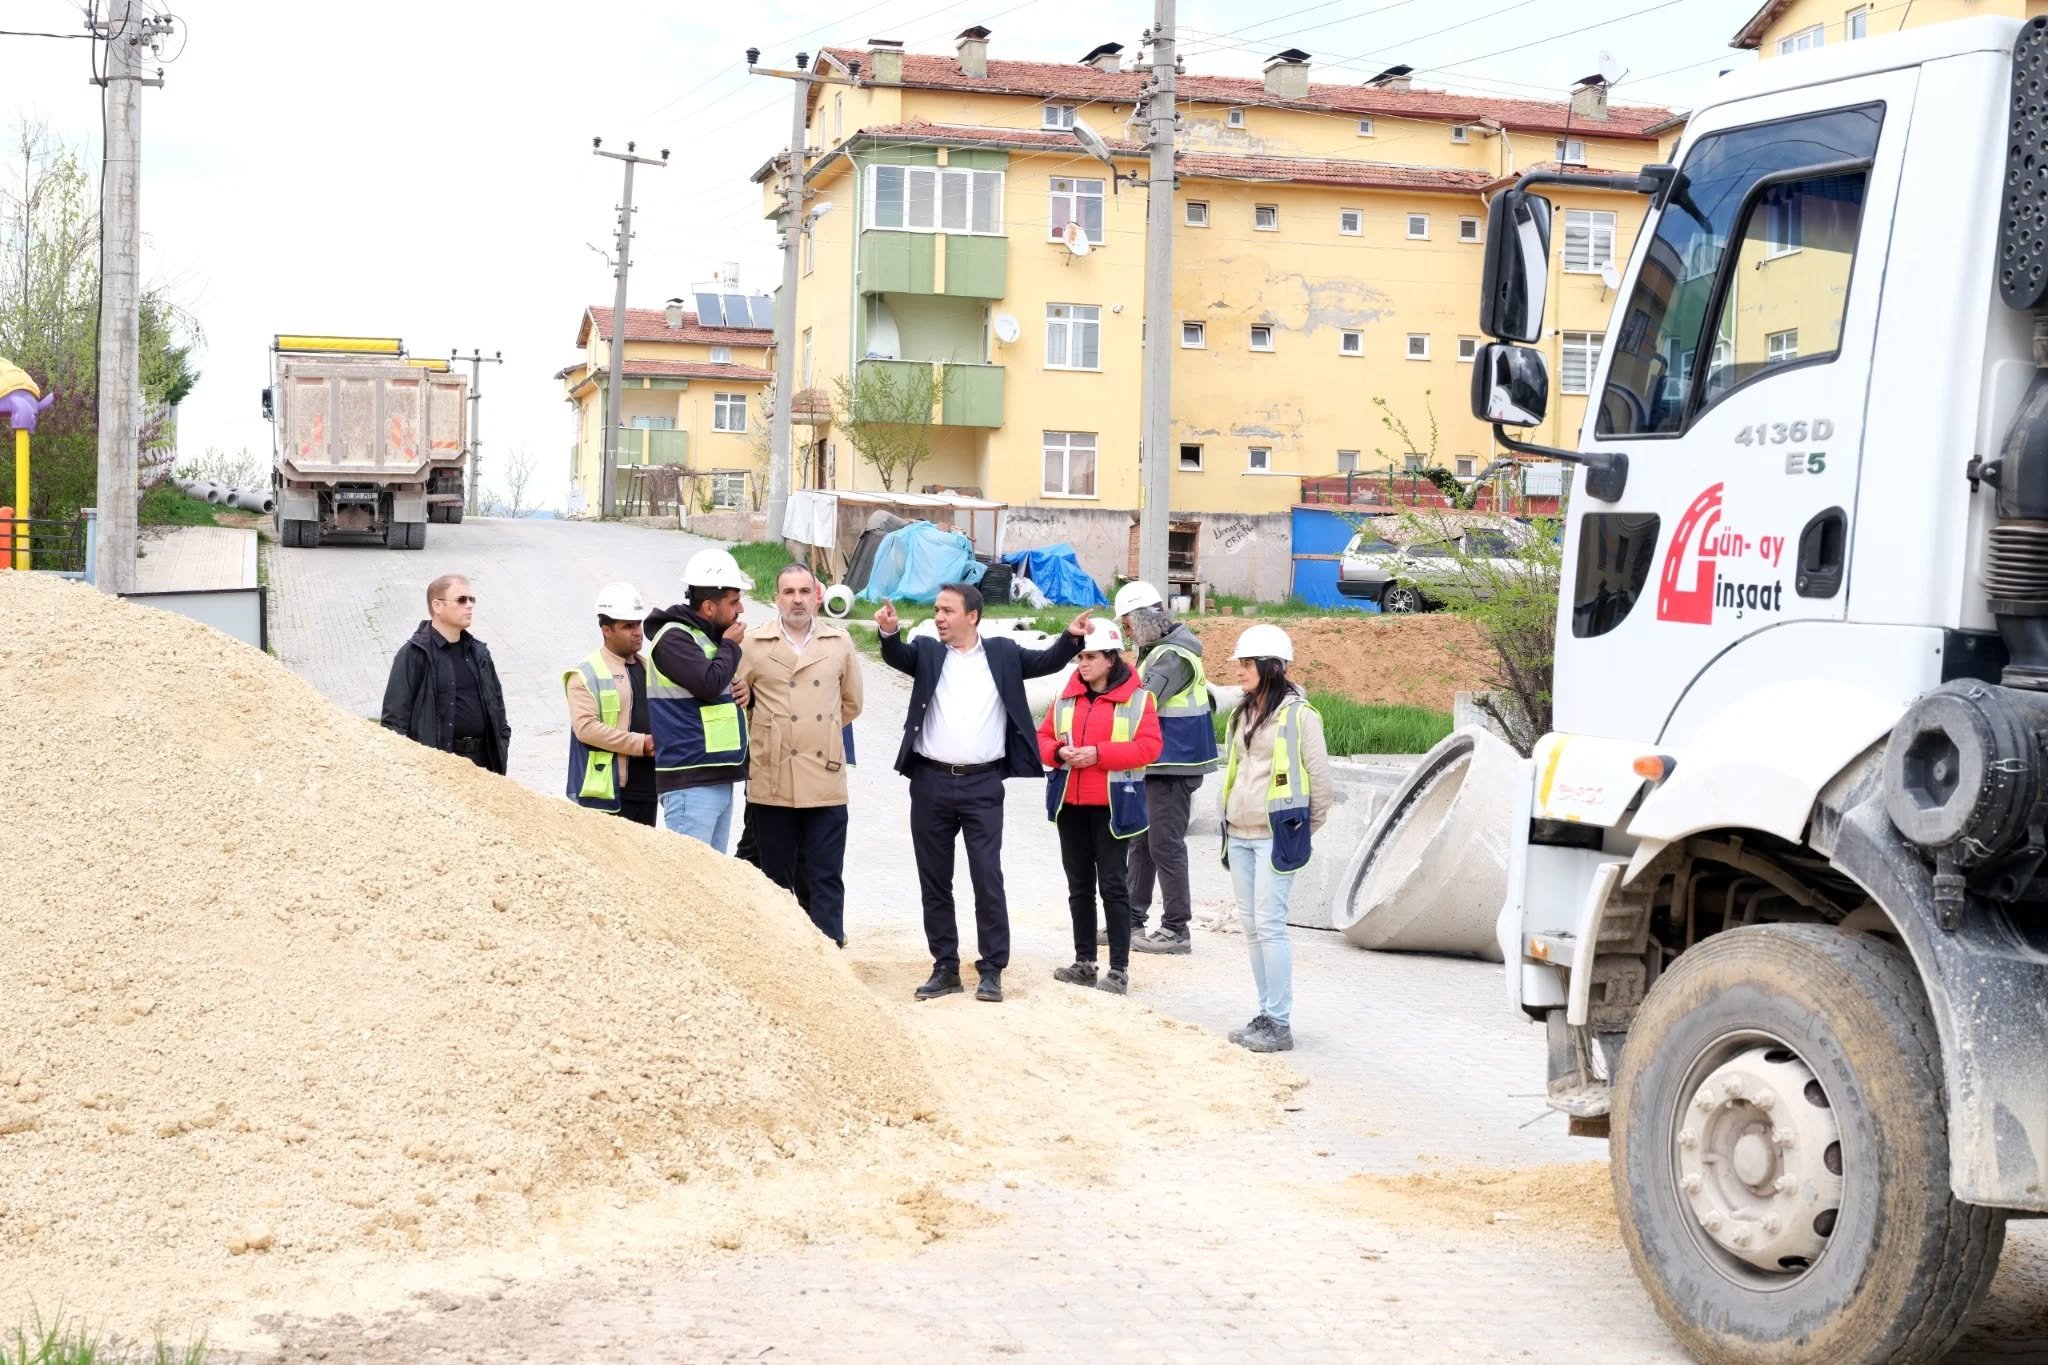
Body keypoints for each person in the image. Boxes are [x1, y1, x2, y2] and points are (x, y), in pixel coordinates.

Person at [878, 583, 1091, 1003]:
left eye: (947, 611)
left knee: (987, 877)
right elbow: (896, 655)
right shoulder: (926, 651)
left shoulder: (1003, 653)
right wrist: (889, 633)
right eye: (937, 610)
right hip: (930, 781)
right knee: (935, 879)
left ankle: (992, 968)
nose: (939, 617)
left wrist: (1071, 637)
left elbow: (1047, 661)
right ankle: (945, 966)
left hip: (982, 784)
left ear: (971, 616)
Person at [1219, 623, 1332, 1054]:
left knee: (1269, 926)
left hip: (1273, 838)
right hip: (1241, 834)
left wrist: (1302, 833)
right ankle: (1265, 1013)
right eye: (1241, 663)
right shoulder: (1242, 713)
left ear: (1271, 666)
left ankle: (1279, 1022)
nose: (1240, 671)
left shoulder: (1300, 716)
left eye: (1247, 663)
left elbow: (1320, 782)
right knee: (1251, 928)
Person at [736, 564, 863, 946]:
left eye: (804, 591)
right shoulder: (754, 645)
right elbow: (737, 700)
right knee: (775, 877)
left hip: (824, 777)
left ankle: (829, 950)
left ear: (817, 596)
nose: (796, 599)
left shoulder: (838, 644)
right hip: (772, 777)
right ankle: (781, 953)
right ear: (776, 598)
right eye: (788, 592)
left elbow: (851, 703)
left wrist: (819, 731)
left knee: (825, 874)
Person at [1037, 620, 1162, 996]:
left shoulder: (1140, 699)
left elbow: (1149, 748)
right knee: (1079, 887)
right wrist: (1060, 751)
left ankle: (1119, 970)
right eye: (1079, 657)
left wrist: (1098, 754)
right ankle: (1084, 962)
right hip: (1070, 805)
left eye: (1089, 656)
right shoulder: (1066, 697)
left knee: (1113, 886)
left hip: (1112, 806)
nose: (1082, 664)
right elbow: (1043, 737)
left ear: (1110, 658)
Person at [1113, 580, 1220, 956]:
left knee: (1164, 844)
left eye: (1127, 624)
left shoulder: (1172, 656)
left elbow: (1143, 701)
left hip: (1176, 762)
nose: (1127, 632)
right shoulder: (1159, 650)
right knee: (1142, 841)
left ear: (1142, 618)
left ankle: (1176, 929)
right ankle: (1130, 920)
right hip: (1159, 761)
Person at [644, 547, 753, 848]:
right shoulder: (674, 638)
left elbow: (714, 688)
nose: (740, 610)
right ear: (708, 607)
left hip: (715, 778)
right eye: (734, 602)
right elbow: (707, 683)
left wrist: (742, 691)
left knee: (711, 886)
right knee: (689, 886)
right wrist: (730, 647)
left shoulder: (706, 639)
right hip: (689, 783)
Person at [380, 573, 511, 774]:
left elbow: (497, 707)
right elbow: (394, 721)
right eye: (461, 600)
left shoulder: (478, 652)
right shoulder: (415, 654)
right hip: (437, 768)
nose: (469, 605)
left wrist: (502, 739)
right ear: (437, 606)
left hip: (483, 764)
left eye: (471, 599)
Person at [562, 581, 659, 826]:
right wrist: (640, 744)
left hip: (649, 786)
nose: (637, 632)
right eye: (628, 626)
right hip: (610, 789)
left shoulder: (650, 667)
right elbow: (586, 729)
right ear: (606, 629)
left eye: (638, 623)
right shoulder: (586, 673)